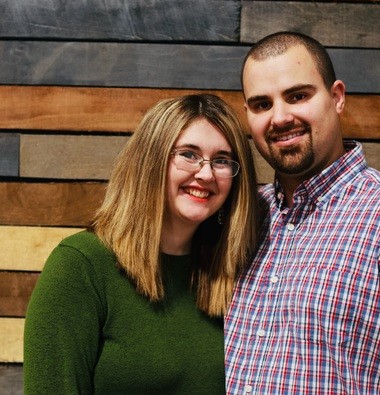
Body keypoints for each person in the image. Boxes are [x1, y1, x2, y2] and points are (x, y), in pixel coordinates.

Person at [225, 32, 380, 394]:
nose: (280, 117)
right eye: (262, 104)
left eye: (298, 96)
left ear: (337, 98)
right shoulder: (243, 215)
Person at [24, 93, 258, 394]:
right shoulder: (81, 266)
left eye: (222, 160)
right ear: (151, 160)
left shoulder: (234, 272)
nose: (206, 173)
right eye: (188, 154)